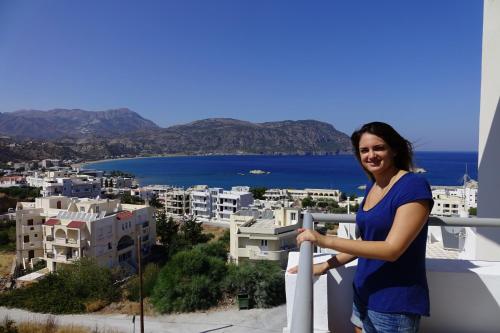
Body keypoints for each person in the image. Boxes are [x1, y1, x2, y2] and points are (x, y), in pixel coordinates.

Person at [288, 122, 433, 333]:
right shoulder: (373, 185)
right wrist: (325, 265)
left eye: (379, 148)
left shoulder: (413, 185)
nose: (371, 155)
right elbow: (365, 241)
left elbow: (392, 250)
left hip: (394, 302)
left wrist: (322, 239)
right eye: (364, 150)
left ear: (394, 149)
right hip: (364, 292)